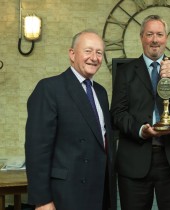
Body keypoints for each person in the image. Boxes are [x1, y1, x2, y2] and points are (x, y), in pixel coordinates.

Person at [110, 15, 170, 210]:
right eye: (149, 34)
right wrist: (141, 130)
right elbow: (117, 113)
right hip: (135, 160)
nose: (155, 39)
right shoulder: (125, 71)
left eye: (159, 34)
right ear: (141, 37)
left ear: (166, 38)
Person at [25, 29, 116, 210]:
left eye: (99, 52)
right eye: (88, 51)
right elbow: (37, 149)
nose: (94, 57)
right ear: (72, 54)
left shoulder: (101, 92)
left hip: (100, 192)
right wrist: (42, 200)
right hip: (66, 194)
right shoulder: (49, 88)